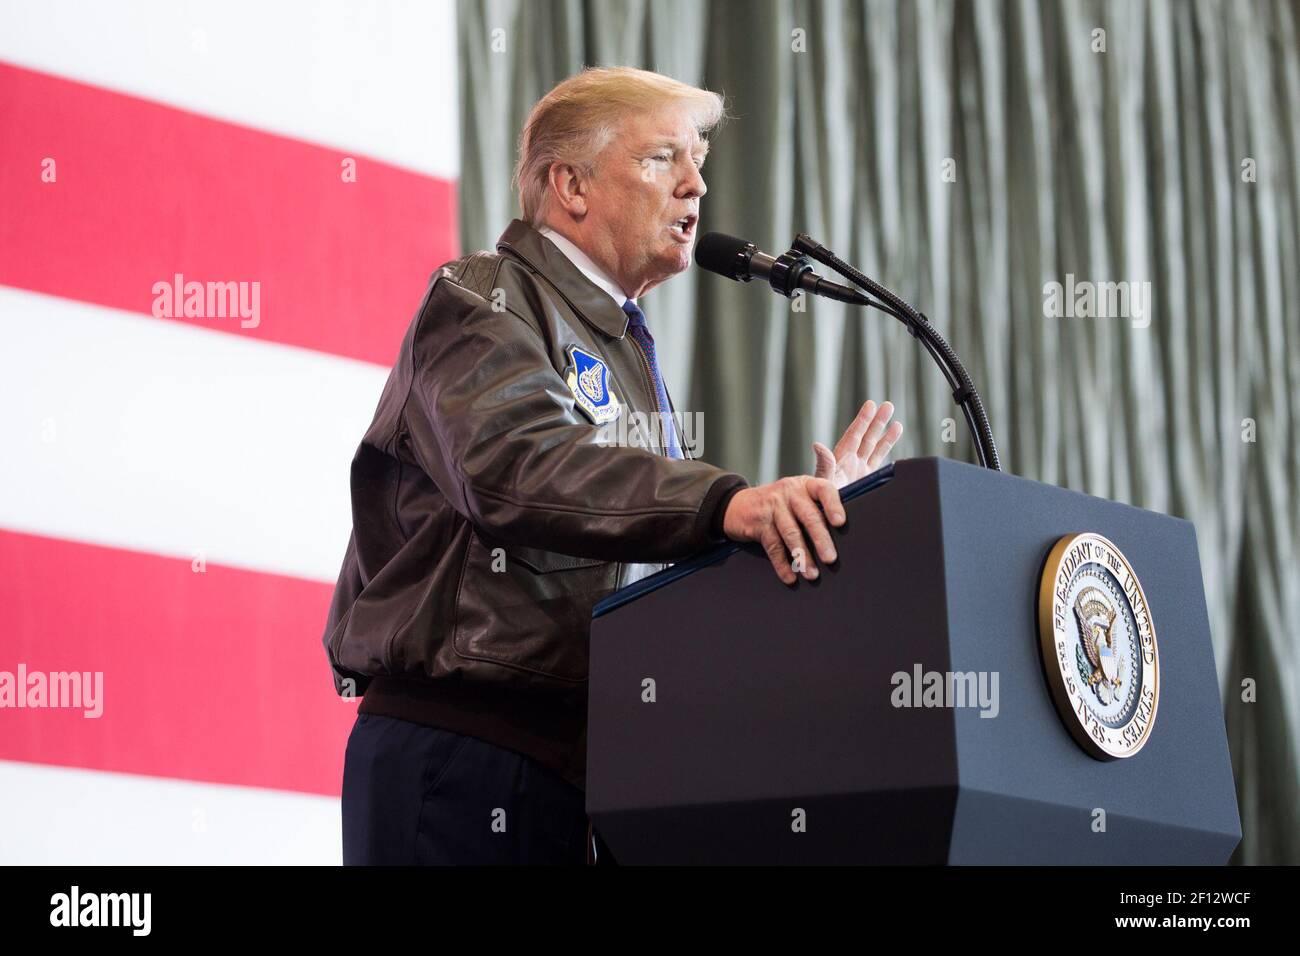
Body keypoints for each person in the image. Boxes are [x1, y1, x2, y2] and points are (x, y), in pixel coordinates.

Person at [322, 66, 903, 865]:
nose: (697, 184)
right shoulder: (485, 299)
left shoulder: (623, 347)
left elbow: (641, 562)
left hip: (591, 775)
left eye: (698, 160)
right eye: (663, 157)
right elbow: (517, 465)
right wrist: (730, 504)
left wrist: (800, 530)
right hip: (467, 754)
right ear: (572, 185)